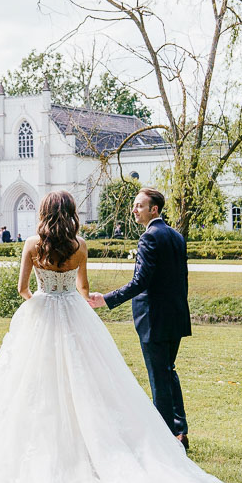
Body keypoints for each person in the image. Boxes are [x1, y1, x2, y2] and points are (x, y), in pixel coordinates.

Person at [0, 190, 242, 483]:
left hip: (41, 312)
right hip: (74, 312)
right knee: (93, 383)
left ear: (43, 212)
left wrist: (40, 301)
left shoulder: (31, 245)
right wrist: (74, 301)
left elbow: (22, 289)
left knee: (33, 385)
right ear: (70, 213)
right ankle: (154, 434)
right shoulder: (79, 246)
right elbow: (83, 289)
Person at [87, 188, 192, 448]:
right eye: (135, 206)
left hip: (154, 319)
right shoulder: (177, 237)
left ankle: (165, 438)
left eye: (139, 206)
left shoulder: (149, 238)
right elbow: (181, 280)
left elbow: (140, 282)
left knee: (159, 377)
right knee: (169, 372)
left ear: (153, 209)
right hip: (176, 316)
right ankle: (180, 431)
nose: (134, 210)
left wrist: (107, 299)